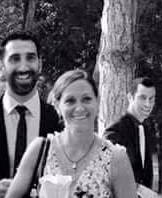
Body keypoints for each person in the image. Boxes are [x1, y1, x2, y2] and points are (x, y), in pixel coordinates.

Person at [6, 69, 137, 198]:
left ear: (97, 102)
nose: (79, 108)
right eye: (70, 101)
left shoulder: (116, 158)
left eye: (86, 99)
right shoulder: (40, 150)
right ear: (57, 105)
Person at [0, 32, 62, 197]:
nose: (23, 67)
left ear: (39, 64)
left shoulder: (58, 121)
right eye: (15, 59)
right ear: (1, 66)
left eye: (30, 58)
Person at [104, 77, 156, 189]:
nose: (148, 104)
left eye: (151, 99)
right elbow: (110, 177)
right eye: (142, 98)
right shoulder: (114, 132)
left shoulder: (146, 130)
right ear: (130, 97)